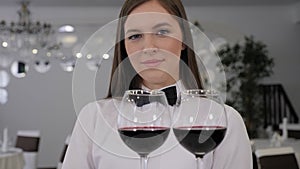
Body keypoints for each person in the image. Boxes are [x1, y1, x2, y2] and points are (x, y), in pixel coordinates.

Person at [62, 0, 252, 169]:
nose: (149, 47)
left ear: (184, 40)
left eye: (162, 32)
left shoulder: (224, 120)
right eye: (135, 36)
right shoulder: (93, 118)